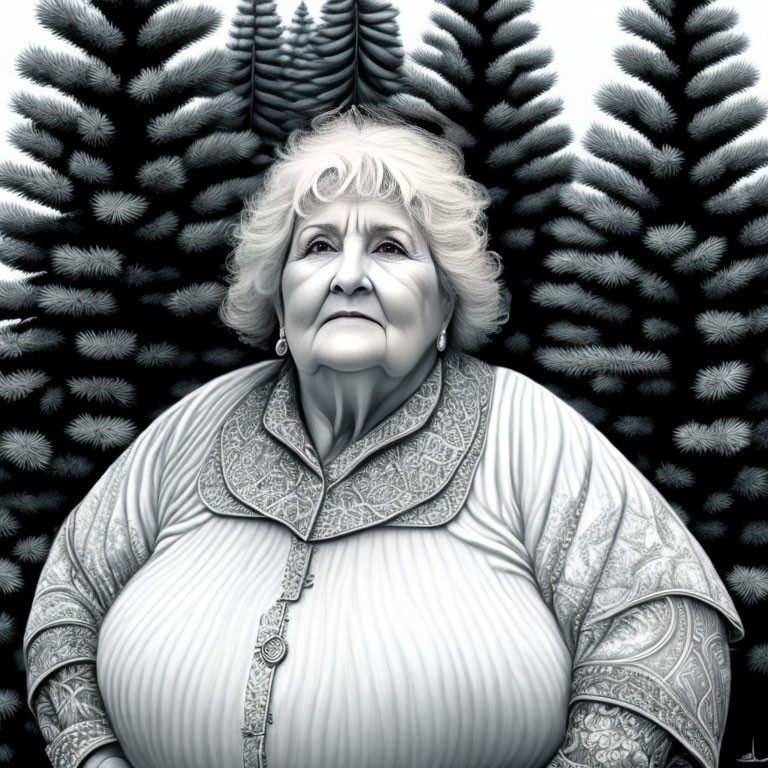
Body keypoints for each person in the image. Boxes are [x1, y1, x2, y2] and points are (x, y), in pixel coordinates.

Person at [25, 109, 742, 768]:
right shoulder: (195, 426)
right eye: (318, 247)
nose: (348, 276)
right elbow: (68, 597)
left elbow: (665, 637)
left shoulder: (528, 430)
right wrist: (93, 758)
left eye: (391, 248)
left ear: (443, 303)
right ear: (278, 299)